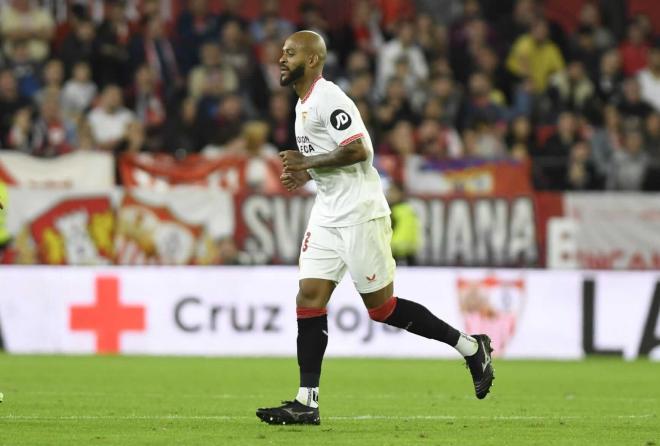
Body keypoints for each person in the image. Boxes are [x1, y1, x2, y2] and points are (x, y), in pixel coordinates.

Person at [256, 31, 494, 426]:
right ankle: (306, 401)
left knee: (382, 309)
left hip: (361, 212)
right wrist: (308, 173)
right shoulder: (302, 105)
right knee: (309, 297)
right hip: (328, 212)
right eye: (281, 52)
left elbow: (358, 149)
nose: (281, 59)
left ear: (313, 60)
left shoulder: (328, 97)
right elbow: (334, 161)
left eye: (291, 53)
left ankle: (471, 347)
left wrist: (307, 164)